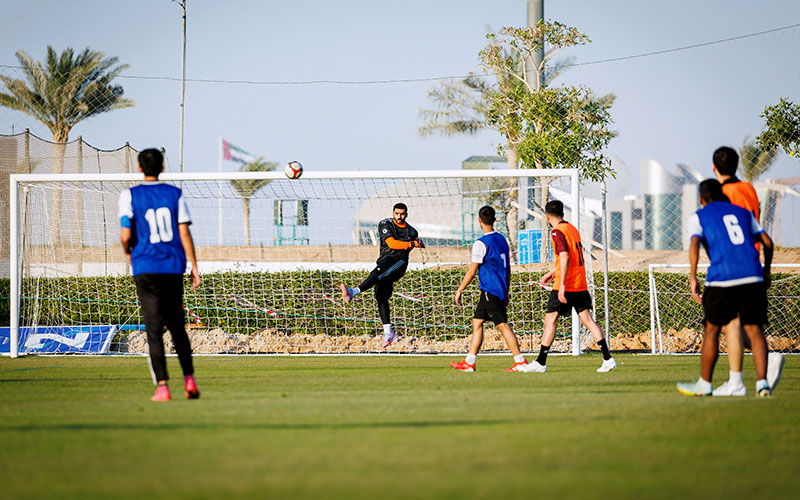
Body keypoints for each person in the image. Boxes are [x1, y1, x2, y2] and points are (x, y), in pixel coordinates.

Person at [677, 179, 779, 397]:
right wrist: (767, 271)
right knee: (753, 328)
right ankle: (762, 384)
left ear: (701, 199)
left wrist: (693, 276)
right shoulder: (743, 212)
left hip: (722, 278)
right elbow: (768, 243)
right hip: (752, 277)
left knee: (712, 330)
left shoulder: (698, 216)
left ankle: (705, 384)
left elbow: (694, 244)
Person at [118, 148, 201, 402]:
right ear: (163, 167)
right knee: (177, 326)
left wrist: (128, 253)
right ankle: (189, 380)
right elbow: (184, 232)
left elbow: (125, 234)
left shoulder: (128, 196)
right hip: (173, 266)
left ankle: (163, 387)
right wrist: (194, 265)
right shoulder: (175, 194)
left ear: (140, 168)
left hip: (145, 267)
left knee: (154, 329)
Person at [711, 146, 785, 396]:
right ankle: (760, 368)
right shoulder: (749, 189)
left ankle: (736, 382)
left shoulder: (724, 193)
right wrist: (767, 270)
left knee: (729, 322)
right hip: (754, 260)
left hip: (733, 263)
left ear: (714, 168)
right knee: (746, 324)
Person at [518, 200, 616, 373]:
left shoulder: (556, 232)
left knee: (550, 320)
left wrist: (561, 285)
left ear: (547, 217)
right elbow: (571, 257)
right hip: (580, 283)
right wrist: (551, 273)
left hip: (566, 285)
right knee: (588, 320)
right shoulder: (571, 229)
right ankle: (608, 358)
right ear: (562, 214)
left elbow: (564, 256)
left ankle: (541, 362)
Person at [450, 206, 528, 372]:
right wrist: (506, 290)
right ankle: (469, 362)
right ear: (494, 220)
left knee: (502, 325)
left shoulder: (481, 243)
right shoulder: (501, 239)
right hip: (498, 289)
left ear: (479, 220)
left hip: (490, 291)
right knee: (477, 322)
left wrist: (460, 289)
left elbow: (472, 270)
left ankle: (520, 361)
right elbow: (507, 268)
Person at [340, 203, 424, 348]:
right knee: (380, 296)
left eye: (402, 214)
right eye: (397, 213)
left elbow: (406, 249)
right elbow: (391, 243)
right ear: (393, 213)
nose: (399, 216)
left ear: (406, 215)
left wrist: (412, 244)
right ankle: (388, 332)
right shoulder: (385, 224)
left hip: (399, 262)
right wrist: (411, 244)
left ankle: (353, 292)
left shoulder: (412, 231)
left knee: (377, 273)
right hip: (385, 260)